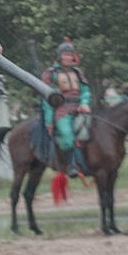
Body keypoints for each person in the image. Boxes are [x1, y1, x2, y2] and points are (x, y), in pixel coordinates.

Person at [41, 40, 94, 174]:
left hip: (79, 109)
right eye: (65, 54)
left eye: (70, 55)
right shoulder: (51, 73)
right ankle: (71, 166)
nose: (68, 57)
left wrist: (84, 103)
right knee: (67, 135)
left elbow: (85, 90)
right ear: (60, 55)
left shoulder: (77, 72)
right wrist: (49, 120)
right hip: (61, 111)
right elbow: (47, 98)